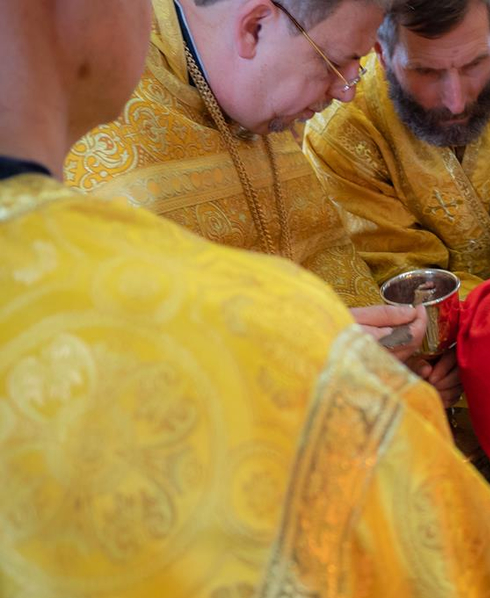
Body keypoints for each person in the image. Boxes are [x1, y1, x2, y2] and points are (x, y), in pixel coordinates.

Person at [0, 1, 490, 598]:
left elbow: (335, 271)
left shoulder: (266, 112)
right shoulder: (97, 130)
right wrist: (323, 366)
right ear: (254, 26)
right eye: (343, 61)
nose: (350, 91)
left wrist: (388, 369)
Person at [304, 0, 490, 547]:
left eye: (476, 64)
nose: (456, 99)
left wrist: (471, 336)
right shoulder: (342, 128)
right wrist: (447, 345)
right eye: (425, 71)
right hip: (422, 382)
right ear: (380, 49)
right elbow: (393, 268)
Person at [63, 0, 432, 359]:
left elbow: (322, 255)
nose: (347, 94)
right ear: (253, 27)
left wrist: (381, 345)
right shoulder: (92, 106)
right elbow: (109, 350)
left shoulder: (255, 101)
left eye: (356, 67)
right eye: (333, 65)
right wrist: (292, 353)